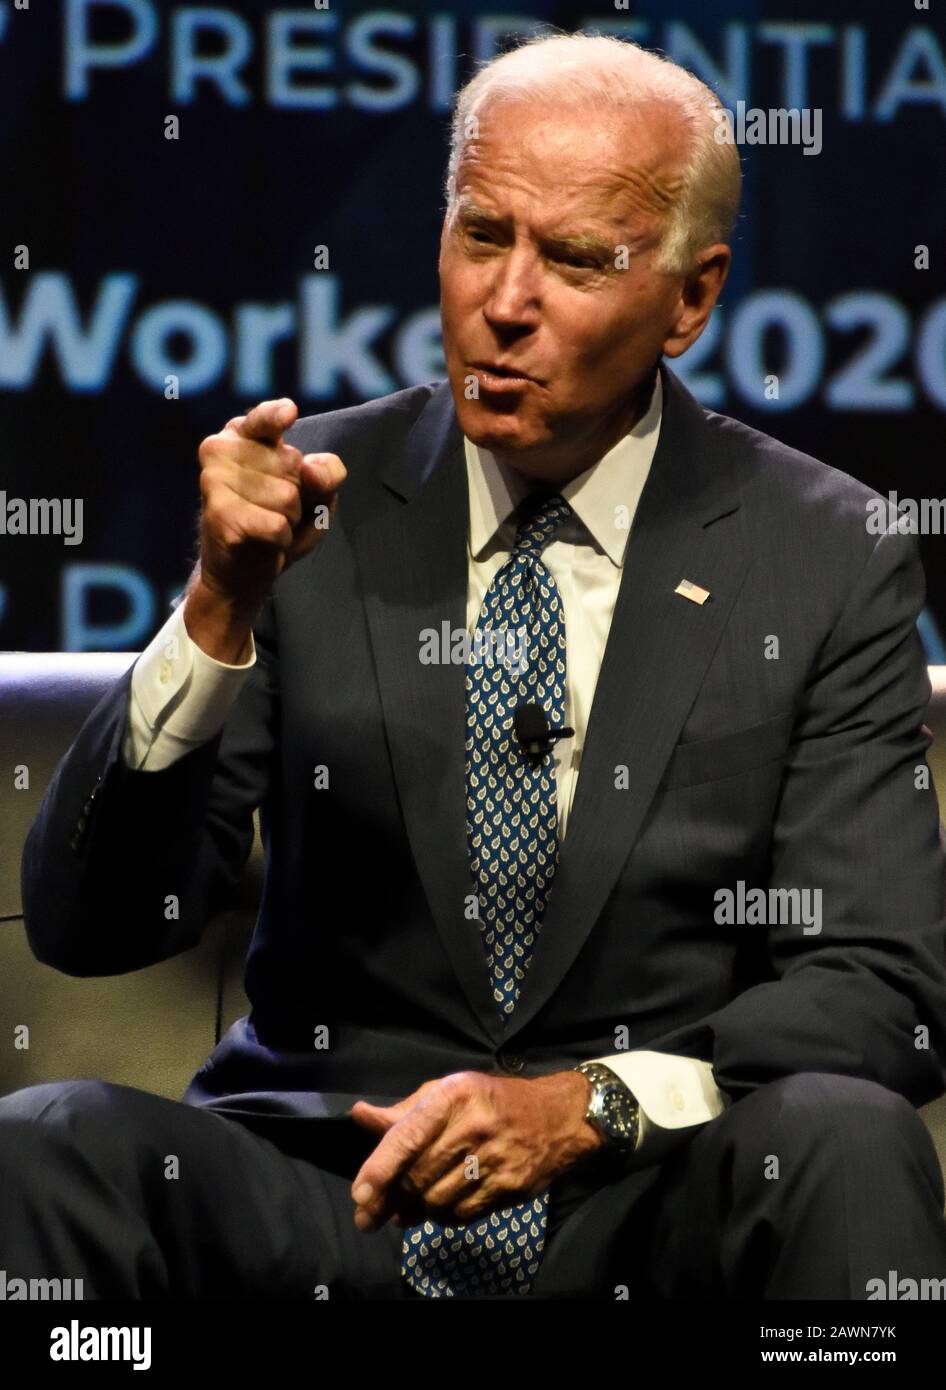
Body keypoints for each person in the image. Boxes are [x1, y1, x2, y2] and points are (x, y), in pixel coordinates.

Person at [8, 32, 946, 1301]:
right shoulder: (307, 516)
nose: (506, 301)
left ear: (691, 297)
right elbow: (91, 924)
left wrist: (585, 1105)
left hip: (637, 1210)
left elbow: (884, 985)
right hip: (318, 1192)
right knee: (51, 1150)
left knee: (840, 1139)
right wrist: (219, 605)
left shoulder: (821, 553)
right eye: (479, 235)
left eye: (572, 259)